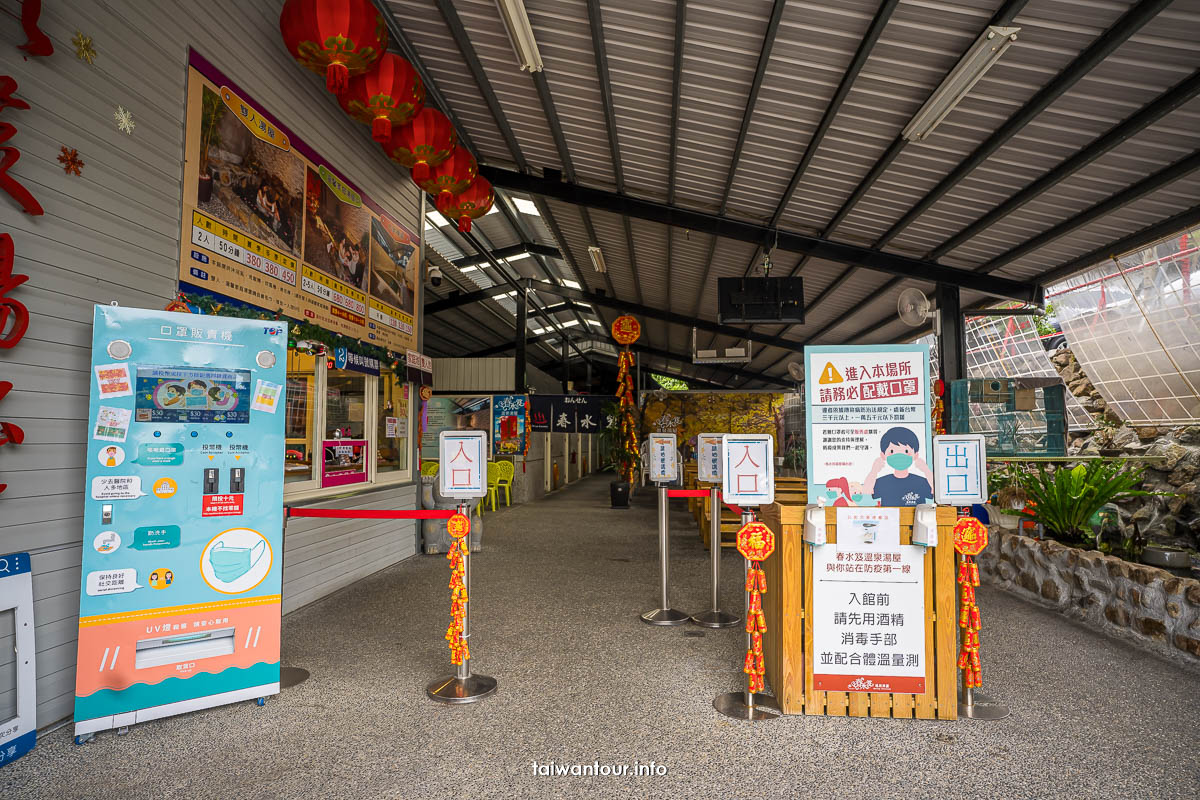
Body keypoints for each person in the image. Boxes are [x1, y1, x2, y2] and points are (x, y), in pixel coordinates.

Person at [863, 426, 933, 507]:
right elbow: (866, 491)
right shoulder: (882, 482)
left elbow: (936, 492)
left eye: (906, 451)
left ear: (915, 455)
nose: (899, 455)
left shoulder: (921, 482)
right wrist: (874, 470)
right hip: (889, 518)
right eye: (892, 451)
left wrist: (926, 470)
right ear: (883, 455)